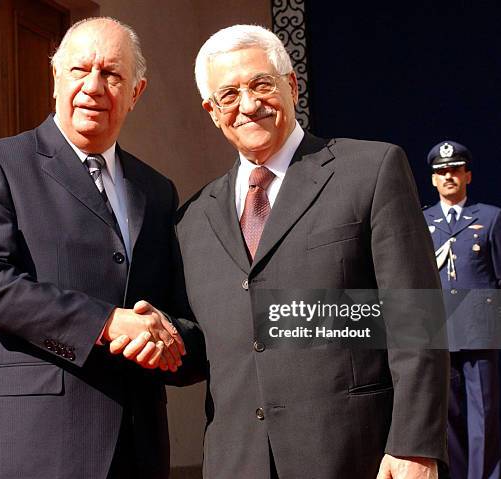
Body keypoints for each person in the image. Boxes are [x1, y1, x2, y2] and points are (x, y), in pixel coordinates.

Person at [174, 25, 449, 478]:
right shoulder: (192, 219)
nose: (248, 104)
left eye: (262, 84)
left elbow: (415, 317)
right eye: (228, 95)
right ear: (211, 111)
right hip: (237, 462)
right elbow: (210, 341)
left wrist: (415, 447)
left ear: (292, 85)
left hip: (356, 456)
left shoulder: (370, 171)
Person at [0, 17, 186, 479]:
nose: (94, 86)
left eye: (112, 74)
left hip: (136, 443)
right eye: (80, 70)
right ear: (56, 79)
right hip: (35, 441)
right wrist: (105, 323)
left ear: (136, 93)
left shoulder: (157, 191)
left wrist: (169, 334)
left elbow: (172, 305)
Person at [423, 140, 501, 479]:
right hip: (439, 328)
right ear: (433, 180)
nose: (448, 177)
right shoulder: (422, 220)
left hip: (479, 326)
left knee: (483, 412)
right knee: (448, 413)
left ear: (467, 175)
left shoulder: (490, 217)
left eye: (455, 170)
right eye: (441, 172)